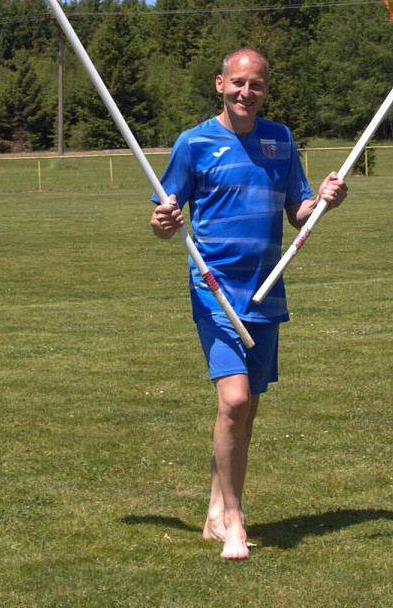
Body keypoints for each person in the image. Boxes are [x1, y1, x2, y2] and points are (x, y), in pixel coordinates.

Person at [149, 48, 347, 560]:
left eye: (255, 84)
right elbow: (163, 217)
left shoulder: (280, 140)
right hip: (214, 290)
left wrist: (324, 201)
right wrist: (163, 223)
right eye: (237, 82)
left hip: (266, 288)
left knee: (247, 408)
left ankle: (216, 511)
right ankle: (236, 520)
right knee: (234, 400)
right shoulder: (193, 143)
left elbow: (298, 210)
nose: (246, 92)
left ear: (265, 89)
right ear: (220, 84)